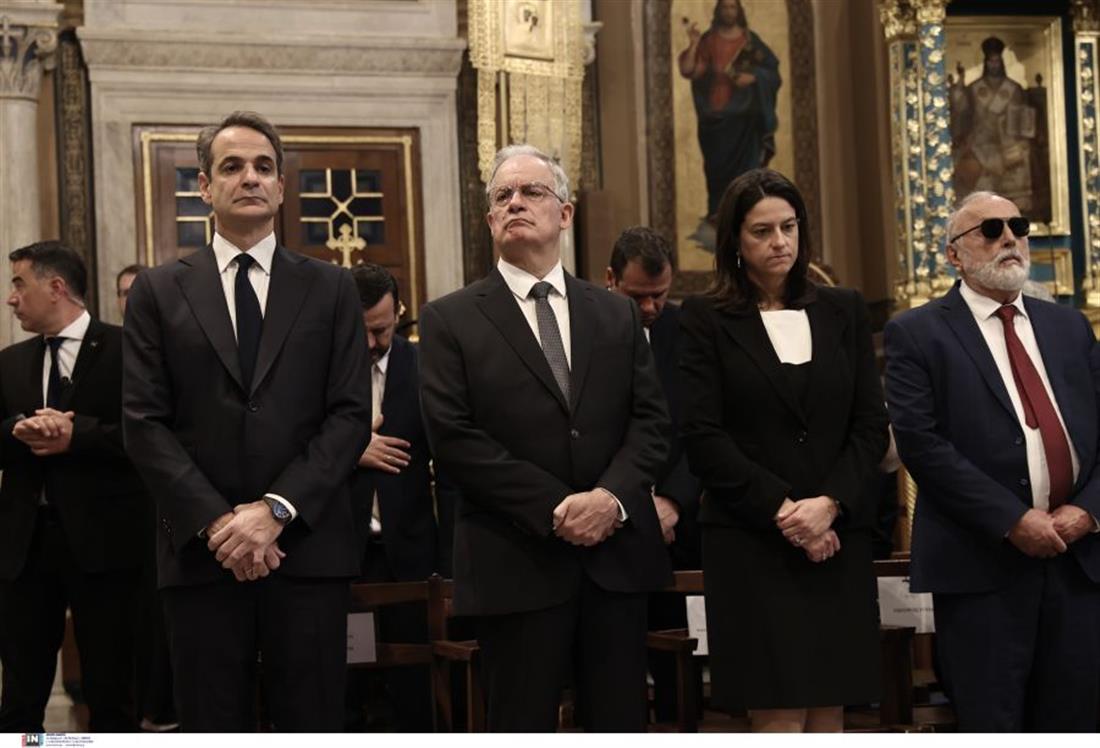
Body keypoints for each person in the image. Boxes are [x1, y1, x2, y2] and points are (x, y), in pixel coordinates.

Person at [122, 110, 371, 732]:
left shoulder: (332, 288)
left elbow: (349, 415)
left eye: (264, 167)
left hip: (306, 550)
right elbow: (143, 423)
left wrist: (275, 510)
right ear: (205, 187)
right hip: (201, 554)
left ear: (282, 187)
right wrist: (219, 523)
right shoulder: (158, 291)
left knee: (312, 725)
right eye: (232, 167)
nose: (250, 177)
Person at [419, 144, 671, 732]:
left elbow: (652, 423)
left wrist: (609, 499)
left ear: (565, 213)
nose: (516, 203)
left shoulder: (615, 314)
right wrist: (557, 508)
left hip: (615, 561)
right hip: (515, 560)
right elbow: (453, 438)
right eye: (502, 196)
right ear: (489, 221)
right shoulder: (450, 319)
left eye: (532, 191)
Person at [679, 168, 888, 732]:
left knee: (829, 711)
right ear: (735, 241)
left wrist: (829, 504)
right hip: (752, 542)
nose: (780, 242)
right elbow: (701, 435)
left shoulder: (844, 309)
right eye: (762, 231)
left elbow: (870, 426)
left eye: (789, 227)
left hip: (836, 539)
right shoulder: (703, 319)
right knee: (778, 718)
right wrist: (785, 511)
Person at [884, 190, 1100, 732]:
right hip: (981, 565)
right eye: (990, 230)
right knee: (993, 724)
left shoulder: (1068, 327)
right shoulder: (918, 332)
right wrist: (1013, 519)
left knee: (1076, 722)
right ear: (953, 255)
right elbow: (922, 444)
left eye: (1017, 227)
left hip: (1078, 562)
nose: (1009, 239)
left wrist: (1089, 511)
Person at [0, 241, 146, 732]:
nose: (12, 298)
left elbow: (149, 437)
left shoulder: (128, 350)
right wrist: (19, 431)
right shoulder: (10, 362)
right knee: (19, 700)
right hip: (25, 550)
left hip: (106, 547)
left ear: (56, 287)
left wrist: (75, 435)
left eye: (19, 284)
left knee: (111, 694)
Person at [346, 262, 450, 731]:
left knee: (413, 688)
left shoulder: (423, 365)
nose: (372, 343)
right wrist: (352, 448)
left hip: (409, 552)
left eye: (382, 330)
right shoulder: (323, 365)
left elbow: (449, 465)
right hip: (346, 553)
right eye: (362, 331)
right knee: (348, 681)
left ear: (398, 314)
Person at [605, 227, 702, 722]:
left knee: (680, 680)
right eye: (637, 296)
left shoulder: (690, 332)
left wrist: (674, 501)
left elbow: (705, 429)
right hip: (611, 524)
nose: (649, 308)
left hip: (681, 527)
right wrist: (633, 504)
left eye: (659, 295)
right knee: (614, 677)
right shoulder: (588, 328)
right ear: (610, 280)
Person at [679, 0, 781, 223]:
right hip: (715, 118)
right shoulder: (708, 41)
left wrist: (754, 78)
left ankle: (748, 211)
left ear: (739, 11)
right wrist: (694, 44)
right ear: (718, 10)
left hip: (746, 119)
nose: (728, 11)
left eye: (732, 7)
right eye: (724, 7)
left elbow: (773, 73)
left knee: (747, 171)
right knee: (716, 168)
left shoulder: (750, 41)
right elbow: (689, 70)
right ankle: (719, 212)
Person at [950, 36, 1035, 214]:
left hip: (1009, 144)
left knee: (1019, 161)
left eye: (997, 61)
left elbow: (1024, 121)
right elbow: (962, 112)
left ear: (1002, 62)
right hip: (981, 144)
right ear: (985, 63)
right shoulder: (974, 89)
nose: (994, 65)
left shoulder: (1014, 89)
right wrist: (959, 87)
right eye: (990, 61)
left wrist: (1018, 140)